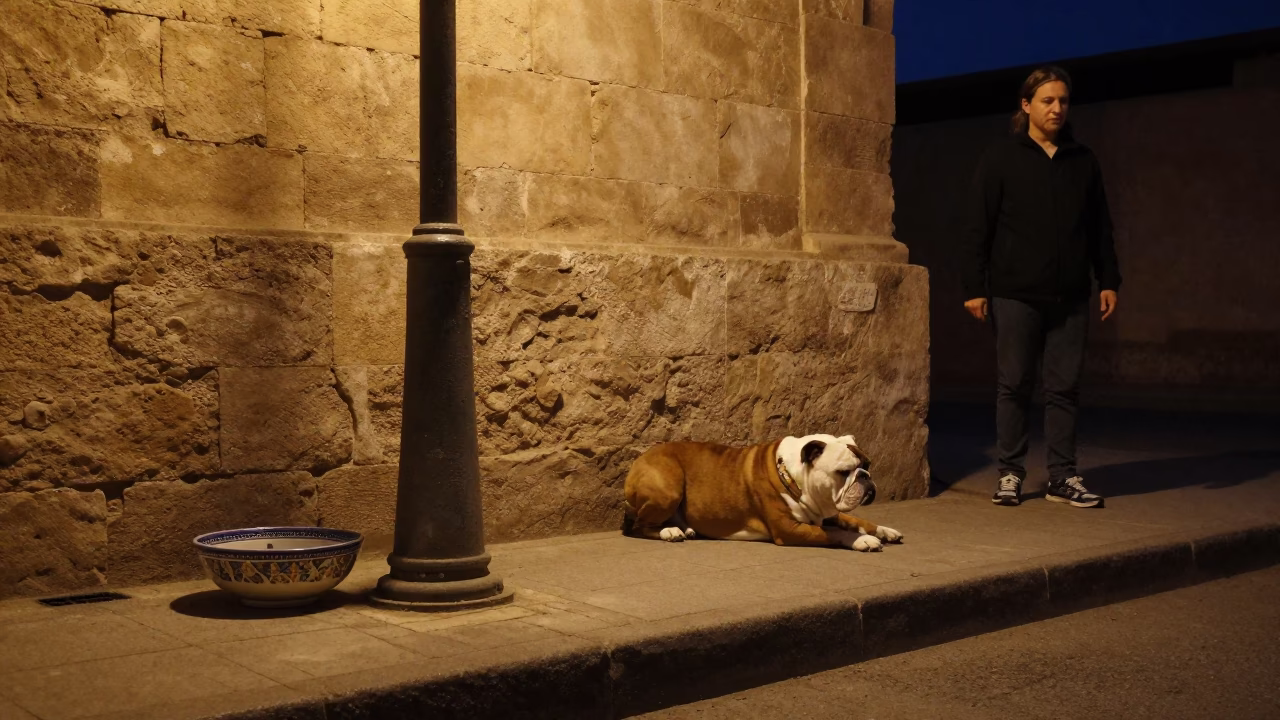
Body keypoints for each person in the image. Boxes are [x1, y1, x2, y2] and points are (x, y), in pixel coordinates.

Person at [961, 66, 1121, 508]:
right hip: (1015, 293)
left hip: (1070, 295)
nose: (1057, 108)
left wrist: (1108, 279)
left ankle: (1062, 477)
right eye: (1047, 100)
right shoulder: (1001, 158)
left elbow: (1100, 228)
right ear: (1026, 105)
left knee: (1064, 387)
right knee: (1013, 384)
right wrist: (975, 286)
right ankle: (1011, 472)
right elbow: (978, 226)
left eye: (1063, 101)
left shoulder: (1082, 160)